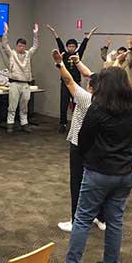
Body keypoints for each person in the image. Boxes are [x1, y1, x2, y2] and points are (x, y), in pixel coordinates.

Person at [56, 67, 132, 263]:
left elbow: (83, 140)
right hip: (126, 173)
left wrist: (89, 159)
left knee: (82, 219)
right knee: (115, 222)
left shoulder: (98, 108)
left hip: (100, 172)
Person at [51, 50, 106, 233]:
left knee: (77, 182)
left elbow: (69, 81)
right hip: (97, 147)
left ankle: (76, 220)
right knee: (97, 184)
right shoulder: (106, 100)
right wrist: (78, 62)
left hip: (79, 146)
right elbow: (89, 74)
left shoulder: (86, 99)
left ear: (91, 87)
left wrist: (60, 64)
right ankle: (101, 217)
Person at [46, 24, 98, 133]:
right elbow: (59, 42)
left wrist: (90, 33)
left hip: (76, 83)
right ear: (67, 47)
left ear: (75, 47)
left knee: (77, 104)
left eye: (73, 46)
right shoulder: (63, 54)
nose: (71, 48)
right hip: (65, 83)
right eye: (69, 46)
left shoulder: (78, 54)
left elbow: (84, 44)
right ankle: (63, 124)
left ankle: (77, 124)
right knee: (63, 104)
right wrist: (53, 31)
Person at [1, 22, 38, 133]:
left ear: (25, 46)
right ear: (17, 46)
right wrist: (5, 33)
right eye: (19, 45)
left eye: (23, 46)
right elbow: (4, 45)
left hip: (25, 83)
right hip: (14, 83)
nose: (21, 47)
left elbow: (35, 47)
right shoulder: (12, 54)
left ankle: (24, 123)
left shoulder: (28, 54)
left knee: (24, 105)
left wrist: (35, 34)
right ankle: (10, 124)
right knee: (12, 105)